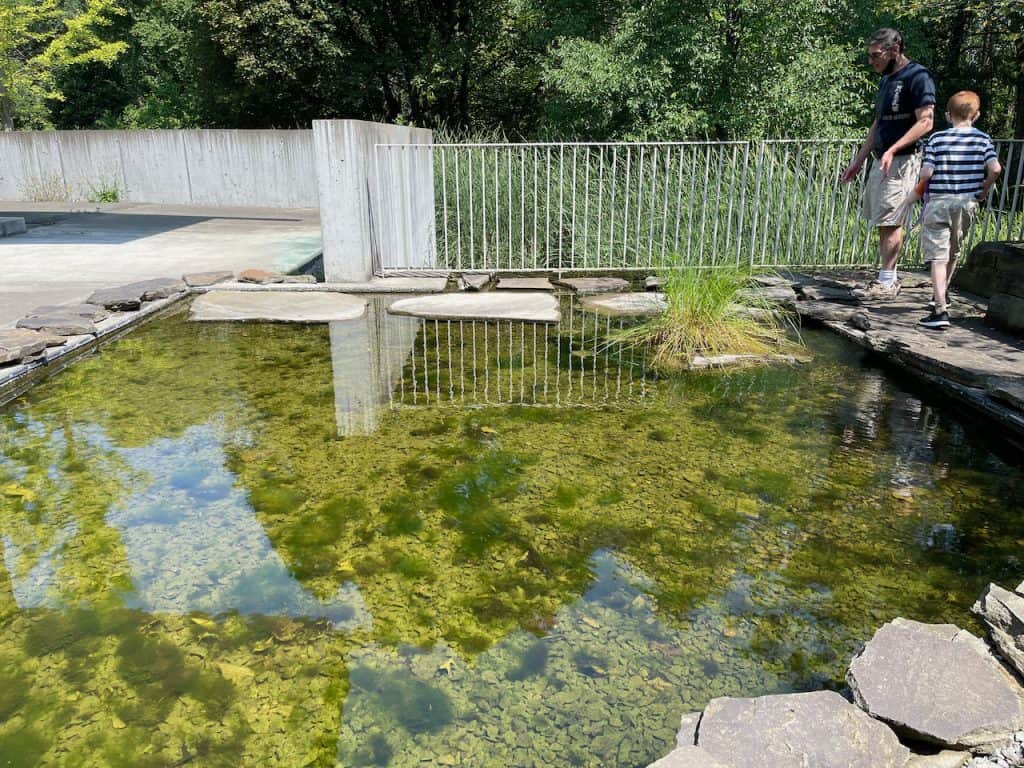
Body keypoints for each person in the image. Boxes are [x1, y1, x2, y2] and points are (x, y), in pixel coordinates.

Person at [842, 28, 935, 298]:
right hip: (883, 159)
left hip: (903, 160)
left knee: (892, 219)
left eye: (875, 56)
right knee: (882, 219)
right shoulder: (886, 80)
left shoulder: (917, 76)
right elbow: (878, 124)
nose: (872, 62)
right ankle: (885, 276)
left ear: (894, 50)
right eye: (869, 57)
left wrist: (894, 149)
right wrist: (858, 161)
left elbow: (926, 121)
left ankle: (888, 281)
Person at [898, 91, 1001, 329]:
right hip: (966, 203)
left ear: (947, 115)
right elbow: (995, 169)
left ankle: (940, 310)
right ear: (976, 115)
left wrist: (913, 195)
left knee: (937, 256)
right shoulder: (983, 139)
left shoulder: (937, 139)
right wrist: (984, 190)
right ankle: (940, 294)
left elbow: (927, 173)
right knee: (953, 252)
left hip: (939, 202)